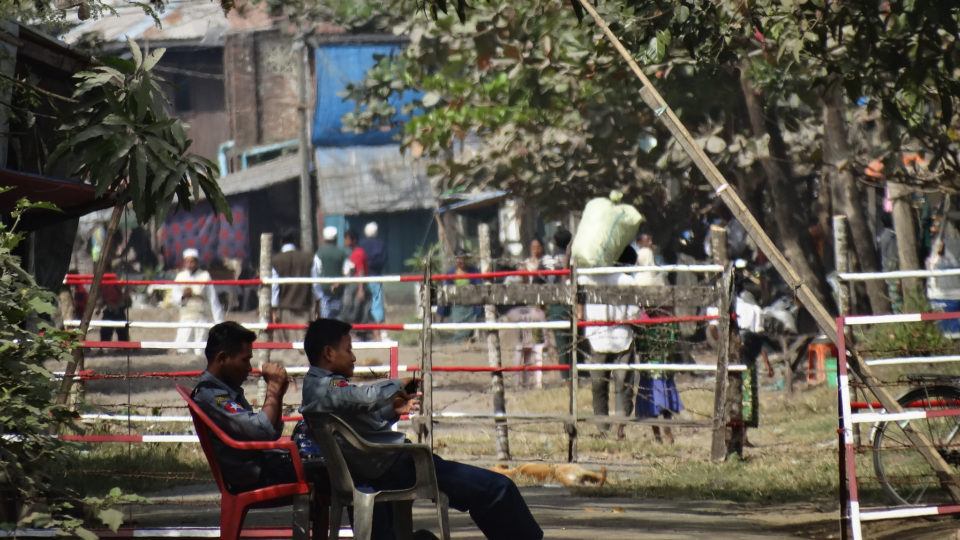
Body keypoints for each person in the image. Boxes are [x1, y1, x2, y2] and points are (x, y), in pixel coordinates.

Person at [299, 318, 543, 540]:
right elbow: (364, 397)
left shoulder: (323, 389)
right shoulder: (323, 388)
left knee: (481, 492)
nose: (353, 357)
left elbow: (359, 426)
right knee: (498, 488)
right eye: (348, 349)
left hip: (382, 466)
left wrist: (391, 410)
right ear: (329, 353)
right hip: (395, 465)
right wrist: (397, 384)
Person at [191, 321, 328, 493]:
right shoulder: (212, 396)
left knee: (327, 461)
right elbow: (262, 432)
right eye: (245, 360)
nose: (249, 368)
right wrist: (273, 389)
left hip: (262, 465)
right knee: (331, 471)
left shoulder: (224, 391)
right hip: (255, 474)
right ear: (222, 358)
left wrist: (277, 394)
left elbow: (270, 432)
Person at [578, 246, 641, 438]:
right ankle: (620, 427)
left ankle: (602, 428)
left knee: (598, 386)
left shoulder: (586, 278)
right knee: (623, 385)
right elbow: (634, 313)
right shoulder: (627, 280)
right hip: (622, 336)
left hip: (597, 337)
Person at [632, 243, 682, 444]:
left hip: (648, 334)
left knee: (649, 380)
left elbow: (641, 308)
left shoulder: (638, 279)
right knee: (665, 377)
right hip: (665, 332)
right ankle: (668, 429)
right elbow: (671, 306)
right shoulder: (661, 276)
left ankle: (657, 434)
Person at [172, 248, 223, 355]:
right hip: (186, 317)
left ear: (197, 262)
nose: (190, 264)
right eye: (187, 261)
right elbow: (174, 298)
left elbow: (213, 299)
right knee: (183, 348)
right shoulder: (180, 277)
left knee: (200, 348)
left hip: (201, 317)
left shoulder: (204, 276)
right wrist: (183, 296)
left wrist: (219, 321)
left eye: (192, 261)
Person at [271, 231, 315, 345]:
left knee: (288, 342)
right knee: (304, 340)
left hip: (284, 306)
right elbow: (315, 283)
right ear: (295, 241)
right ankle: (303, 362)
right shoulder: (308, 258)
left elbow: (274, 287)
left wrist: (274, 311)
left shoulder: (275, 260)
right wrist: (318, 304)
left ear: (281, 242)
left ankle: (293, 362)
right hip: (304, 305)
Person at [545, 228, 574, 380]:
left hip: (557, 303)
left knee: (561, 342)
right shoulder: (576, 260)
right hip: (575, 303)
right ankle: (579, 373)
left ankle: (566, 377)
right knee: (576, 340)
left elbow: (545, 282)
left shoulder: (549, 261)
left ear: (554, 242)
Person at [436, 248, 483, 344]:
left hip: (471, 304)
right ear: (455, 260)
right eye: (459, 259)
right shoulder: (450, 273)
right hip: (456, 305)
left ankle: (470, 340)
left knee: (471, 325)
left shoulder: (473, 271)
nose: (461, 261)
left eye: (463, 258)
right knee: (459, 327)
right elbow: (447, 289)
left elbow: (479, 286)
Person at [312, 226, 350, 319]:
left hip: (323, 290)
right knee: (338, 316)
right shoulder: (343, 253)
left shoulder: (319, 254)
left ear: (324, 239)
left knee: (326, 317)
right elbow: (347, 273)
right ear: (336, 238)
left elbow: (316, 271)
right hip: (339, 290)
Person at [358, 222, 388, 338]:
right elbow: (384, 259)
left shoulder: (361, 244)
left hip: (361, 277)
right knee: (377, 302)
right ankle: (378, 332)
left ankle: (363, 332)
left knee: (363, 303)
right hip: (375, 276)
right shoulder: (381, 244)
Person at [341, 229, 372, 331]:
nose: (345, 242)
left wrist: (360, 289)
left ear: (353, 240)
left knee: (354, 310)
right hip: (353, 285)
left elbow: (360, 271)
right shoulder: (354, 253)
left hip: (356, 286)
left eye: (347, 239)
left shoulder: (358, 253)